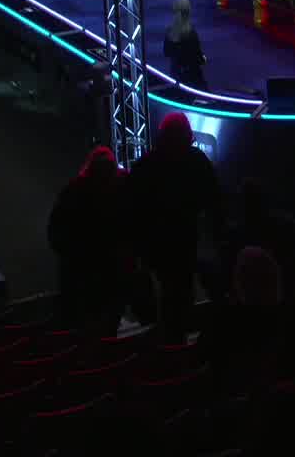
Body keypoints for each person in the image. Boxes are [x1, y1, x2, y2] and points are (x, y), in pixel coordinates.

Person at [126, 113, 222, 340]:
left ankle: (168, 344)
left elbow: (133, 208)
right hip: (185, 241)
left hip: (156, 245)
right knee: (181, 295)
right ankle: (178, 345)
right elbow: (213, 200)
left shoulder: (146, 164)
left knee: (165, 297)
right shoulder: (197, 160)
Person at [48, 146, 133, 335]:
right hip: (114, 269)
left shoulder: (74, 190)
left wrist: (71, 258)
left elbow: (56, 231)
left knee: (87, 323)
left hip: (83, 271)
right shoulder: (124, 187)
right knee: (110, 320)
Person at [164, 0, 207, 88]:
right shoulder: (191, 33)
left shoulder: (169, 31)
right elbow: (197, 57)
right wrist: (204, 59)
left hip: (175, 75)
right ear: (188, 13)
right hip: (192, 76)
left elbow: (166, 53)